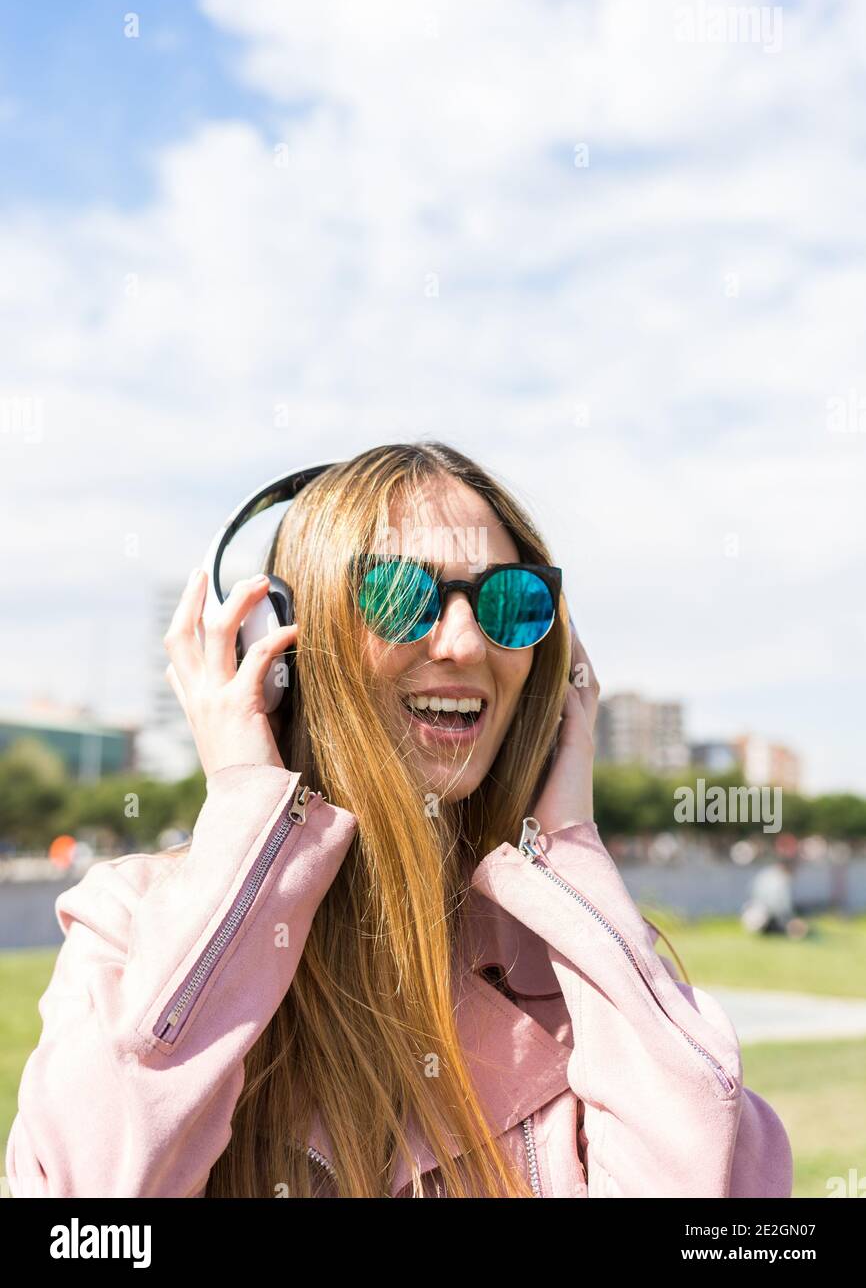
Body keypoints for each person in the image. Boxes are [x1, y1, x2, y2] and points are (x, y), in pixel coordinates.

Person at [5, 441, 794, 1198]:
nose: (461, 642)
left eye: (511, 604)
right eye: (396, 595)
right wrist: (248, 810)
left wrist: (572, 851)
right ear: (276, 648)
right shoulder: (132, 928)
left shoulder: (579, 968)